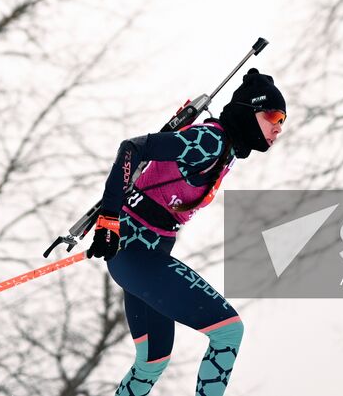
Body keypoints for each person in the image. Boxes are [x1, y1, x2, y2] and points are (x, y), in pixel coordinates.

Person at [86, 68, 287, 396]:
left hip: (144, 256)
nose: (278, 127)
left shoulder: (226, 151)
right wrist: (109, 218)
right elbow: (131, 148)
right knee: (228, 332)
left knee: (152, 362)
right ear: (251, 112)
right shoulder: (210, 141)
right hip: (134, 253)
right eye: (274, 115)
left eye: (283, 121)